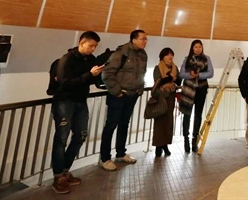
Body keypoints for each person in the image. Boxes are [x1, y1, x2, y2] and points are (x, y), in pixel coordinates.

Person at [49, 31, 103, 193]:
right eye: (90, 45)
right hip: (64, 102)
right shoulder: (66, 60)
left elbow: (90, 80)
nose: (93, 49)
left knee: (81, 135)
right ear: (81, 42)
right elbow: (65, 84)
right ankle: (58, 176)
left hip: (80, 102)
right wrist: (89, 74)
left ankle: (65, 170)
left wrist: (98, 74)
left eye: (95, 46)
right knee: (61, 138)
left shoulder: (91, 60)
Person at [99, 30, 148, 171]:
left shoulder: (143, 54)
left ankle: (120, 153)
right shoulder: (121, 53)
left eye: (146, 39)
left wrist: (139, 89)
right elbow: (107, 73)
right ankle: (105, 158)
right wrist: (117, 91)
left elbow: (141, 73)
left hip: (132, 95)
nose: (145, 41)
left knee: (124, 124)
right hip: (119, 96)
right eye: (142, 39)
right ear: (134, 39)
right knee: (111, 125)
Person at [178, 39, 214, 153]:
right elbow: (181, 74)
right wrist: (190, 75)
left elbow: (211, 73)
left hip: (201, 89)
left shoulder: (207, 59)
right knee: (187, 114)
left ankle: (194, 140)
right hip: (188, 90)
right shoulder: (186, 60)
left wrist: (199, 75)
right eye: (196, 47)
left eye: (200, 47)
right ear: (192, 48)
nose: (198, 49)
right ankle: (186, 140)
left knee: (198, 114)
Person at [152, 47, 179, 158]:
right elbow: (158, 81)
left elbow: (178, 80)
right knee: (160, 120)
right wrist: (169, 78)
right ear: (162, 57)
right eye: (167, 55)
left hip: (171, 96)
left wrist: (173, 78)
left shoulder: (175, 67)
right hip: (161, 96)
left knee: (168, 120)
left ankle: (165, 144)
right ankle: (158, 145)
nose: (170, 57)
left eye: (171, 55)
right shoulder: (158, 68)